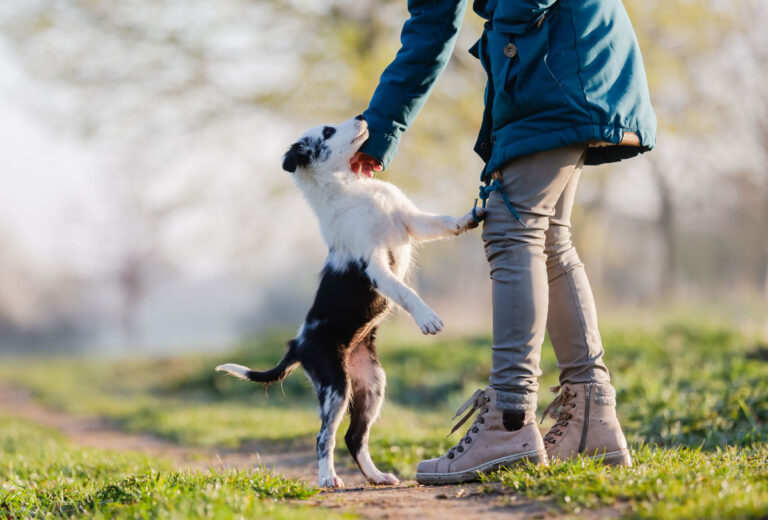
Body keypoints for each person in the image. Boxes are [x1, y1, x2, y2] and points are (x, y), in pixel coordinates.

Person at [350, 0, 656, 484]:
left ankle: (510, 420)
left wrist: (511, 36)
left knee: (513, 229)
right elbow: (430, 24)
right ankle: (591, 420)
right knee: (547, 237)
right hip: (559, 55)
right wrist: (379, 127)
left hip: (555, 55)